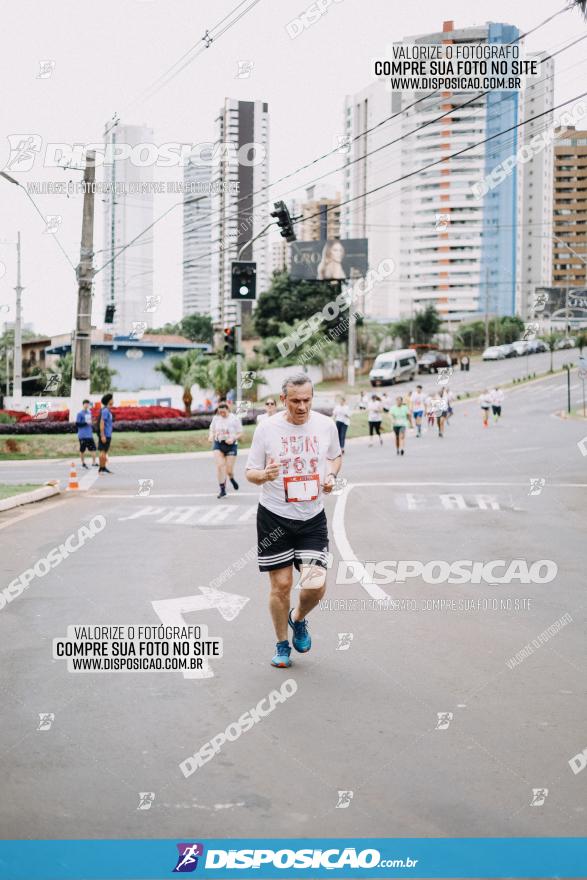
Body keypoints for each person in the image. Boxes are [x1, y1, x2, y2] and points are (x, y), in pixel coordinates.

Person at [246, 374, 342, 668]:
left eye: (307, 400)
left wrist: (330, 476)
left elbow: (335, 457)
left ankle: (298, 618)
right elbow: (250, 472)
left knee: (315, 585)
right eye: (296, 401)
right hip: (274, 516)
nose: (302, 407)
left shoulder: (326, 426)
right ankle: (281, 643)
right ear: (283, 399)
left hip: (312, 516)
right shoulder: (267, 428)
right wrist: (265, 475)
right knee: (282, 585)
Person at [208, 402, 243, 498]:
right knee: (220, 466)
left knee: (229, 471)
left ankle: (231, 478)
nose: (222, 414)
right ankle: (222, 490)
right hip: (218, 444)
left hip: (231, 445)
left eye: (223, 412)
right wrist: (211, 436)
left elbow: (240, 433)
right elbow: (212, 429)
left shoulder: (234, 419)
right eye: (220, 412)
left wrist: (233, 438)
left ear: (228, 410)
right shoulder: (216, 418)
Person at [75, 399, 97, 469]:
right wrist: (85, 423)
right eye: (86, 404)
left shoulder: (89, 413)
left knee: (93, 449)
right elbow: (77, 424)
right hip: (82, 435)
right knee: (82, 450)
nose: (87, 405)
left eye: (88, 404)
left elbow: (90, 422)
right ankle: (83, 463)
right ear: (83, 404)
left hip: (89, 434)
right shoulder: (80, 413)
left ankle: (94, 463)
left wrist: (93, 422)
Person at [97, 393, 114, 474]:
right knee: (102, 452)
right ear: (109, 401)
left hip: (108, 434)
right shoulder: (105, 410)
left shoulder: (108, 410)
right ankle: (101, 468)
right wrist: (102, 435)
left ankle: (103, 467)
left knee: (104, 452)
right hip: (105, 435)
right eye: (112, 399)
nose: (113, 401)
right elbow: (102, 422)